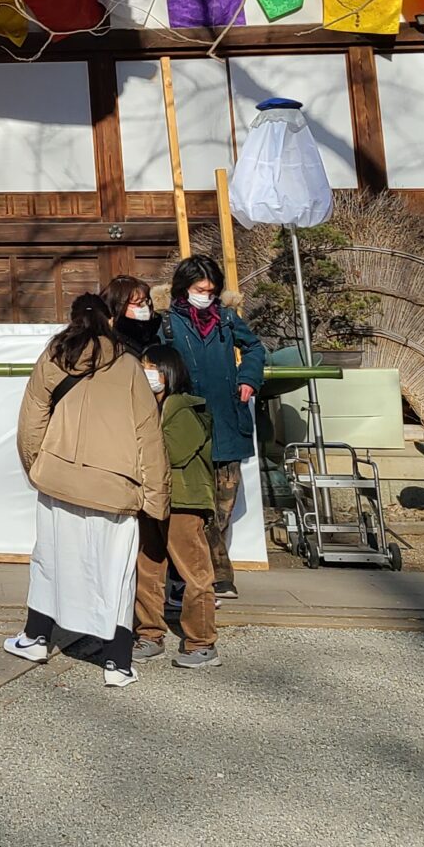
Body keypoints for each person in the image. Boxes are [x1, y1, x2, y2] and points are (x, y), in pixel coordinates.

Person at [7, 292, 166, 686]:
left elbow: (31, 422)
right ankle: (117, 662)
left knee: (50, 560)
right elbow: (149, 435)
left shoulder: (53, 357)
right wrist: (156, 497)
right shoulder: (129, 366)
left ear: (72, 319)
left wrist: (38, 468)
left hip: (59, 479)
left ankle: (37, 637)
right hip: (115, 484)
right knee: (116, 571)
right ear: (110, 321)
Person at [157, 253, 266, 599]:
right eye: (199, 288)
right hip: (187, 427)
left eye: (211, 289)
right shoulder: (168, 323)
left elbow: (255, 349)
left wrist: (248, 378)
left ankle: (218, 572)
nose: (206, 294)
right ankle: (194, 574)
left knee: (222, 506)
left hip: (226, 424)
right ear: (184, 287)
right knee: (189, 505)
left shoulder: (227, 319)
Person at [134, 344, 221, 669]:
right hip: (151, 499)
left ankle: (201, 642)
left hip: (183, 500)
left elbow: (173, 453)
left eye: (151, 367)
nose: (146, 374)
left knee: (194, 571)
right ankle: (149, 634)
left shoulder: (185, 407)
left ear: (168, 371)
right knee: (147, 570)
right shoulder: (146, 408)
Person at [111, 275, 161, 357]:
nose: (144, 306)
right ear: (120, 305)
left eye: (145, 301)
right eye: (138, 303)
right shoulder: (112, 337)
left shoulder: (155, 329)